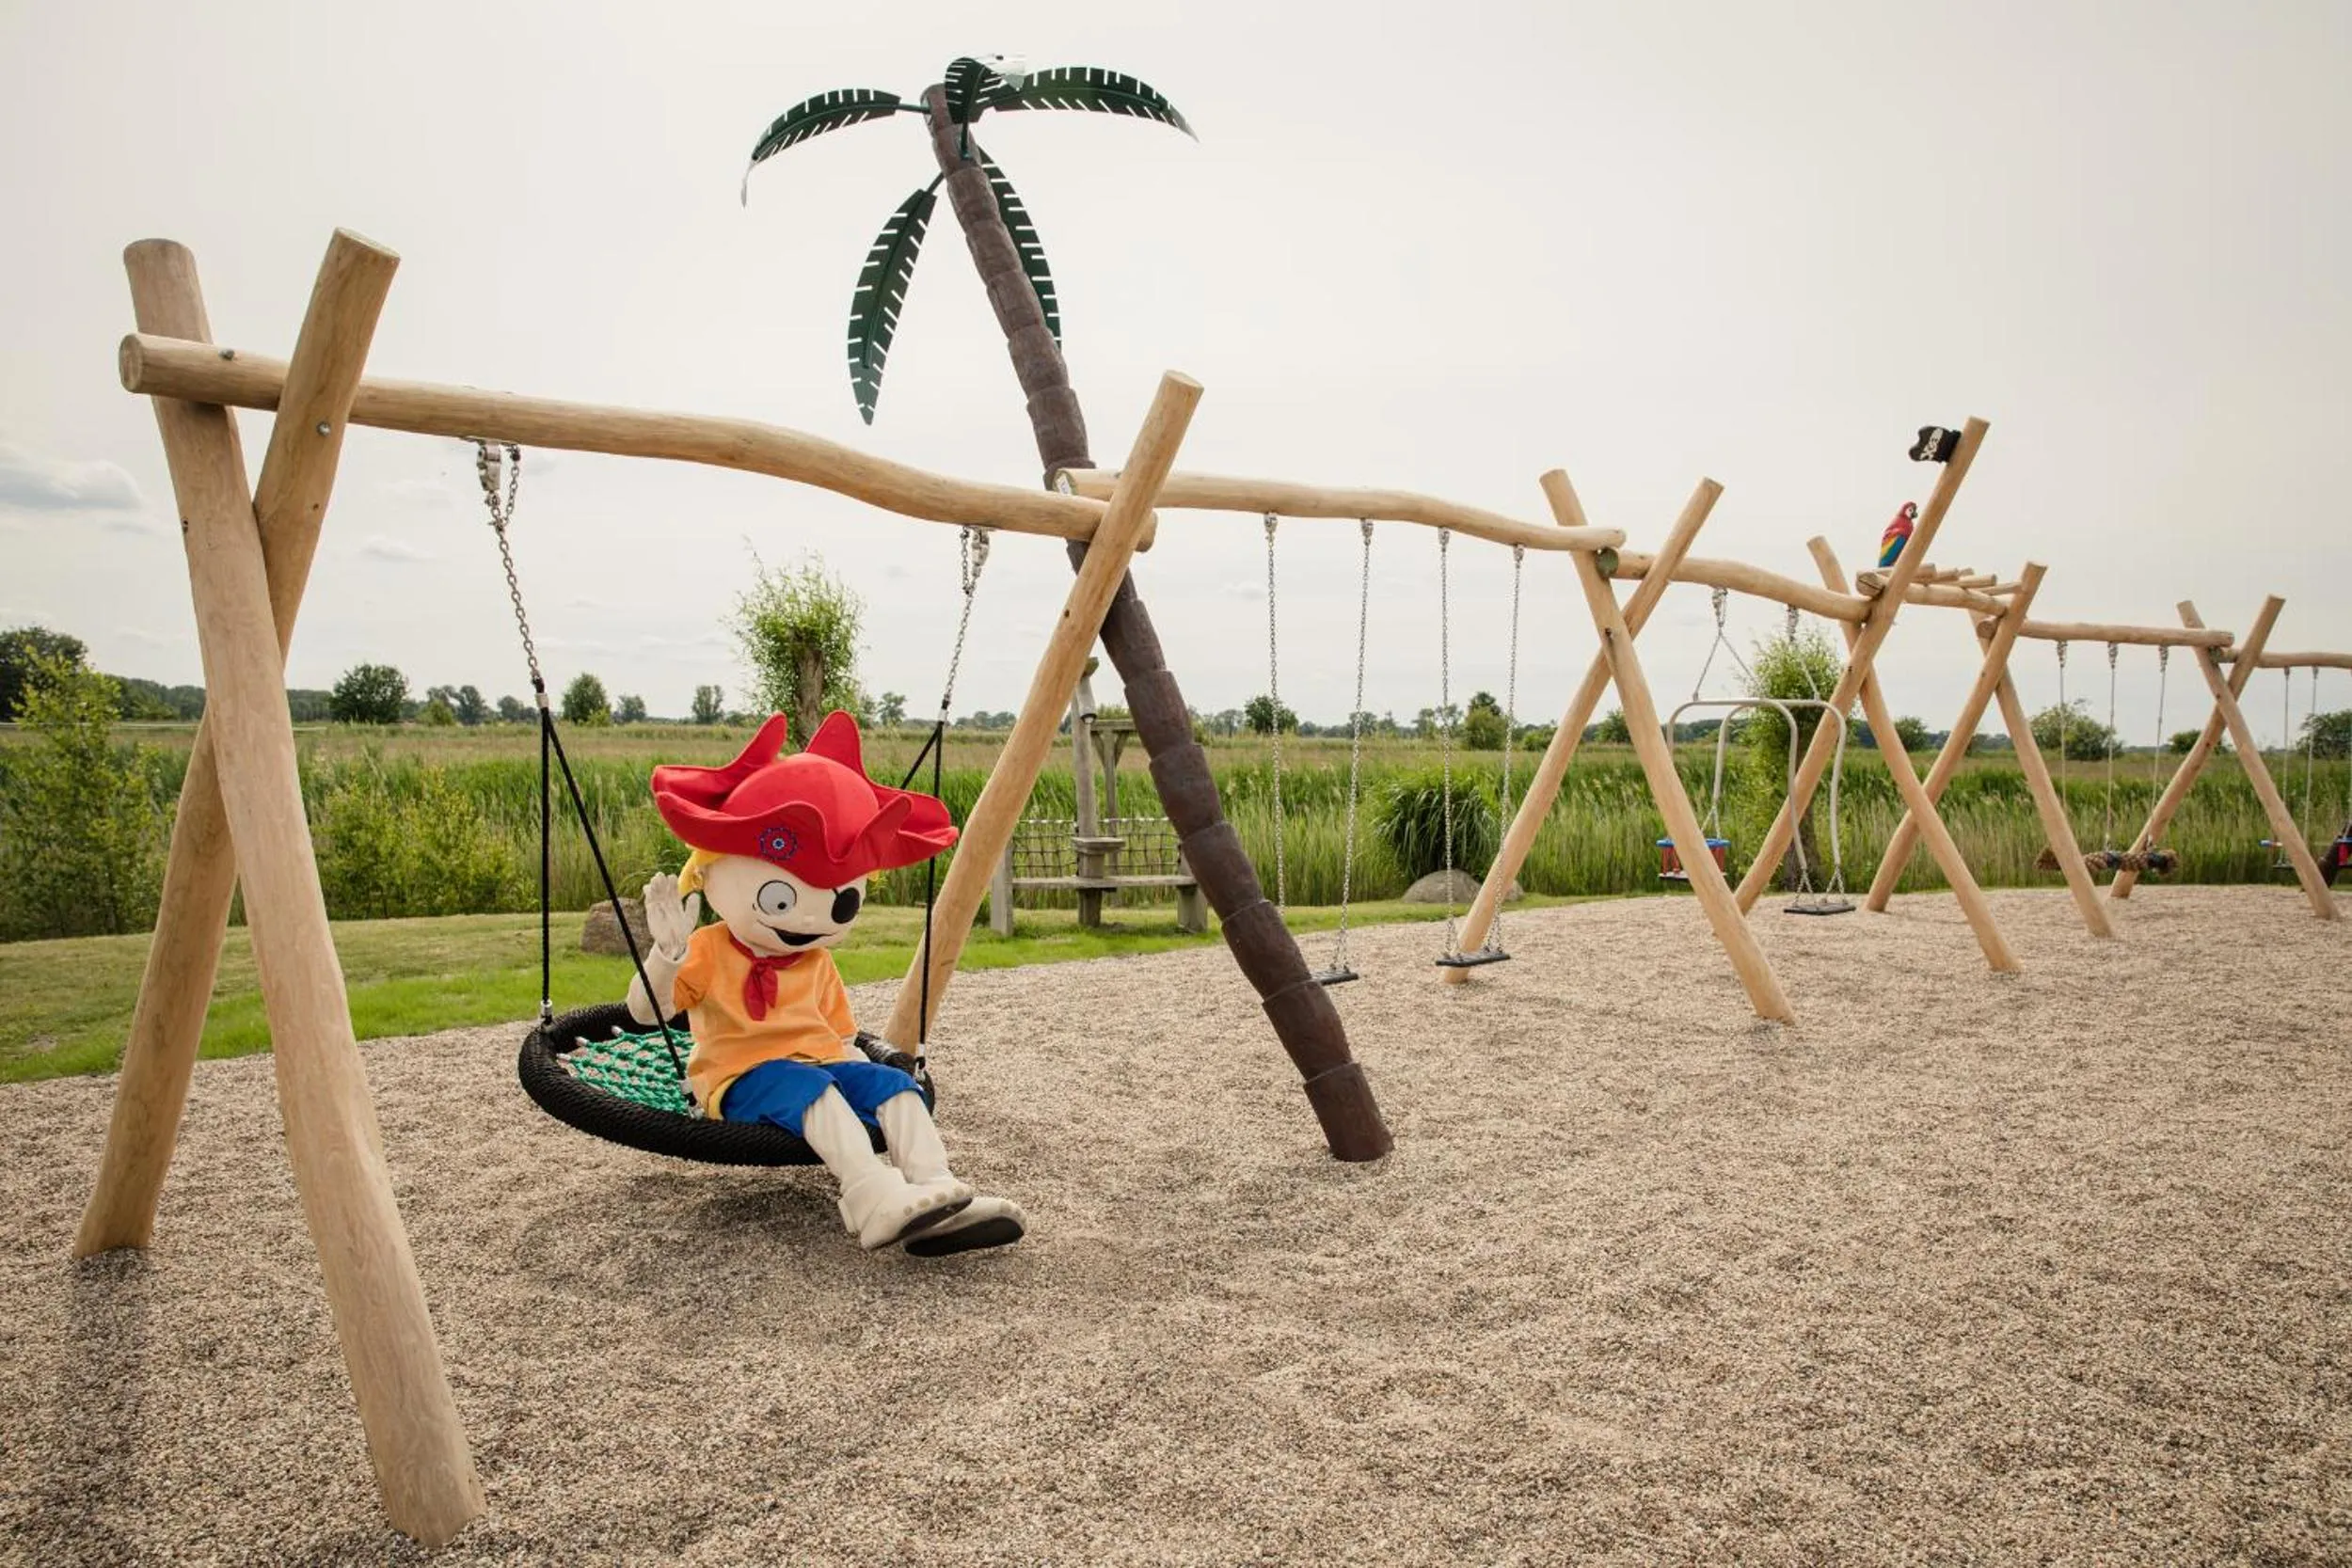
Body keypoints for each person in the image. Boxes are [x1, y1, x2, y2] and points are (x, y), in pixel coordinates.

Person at [627, 710, 1025, 1256]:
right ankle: (869, 1197)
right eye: (782, 900)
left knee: (892, 1085)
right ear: (713, 871)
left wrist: (869, 1079)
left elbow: (841, 1037)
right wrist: (667, 954)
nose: (808, 922)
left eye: (840, 900)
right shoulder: (709, 949)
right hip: (739, 1079)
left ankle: (936, 1188)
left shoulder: (816, 963)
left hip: (819, 1065)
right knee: (814, 1089)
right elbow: (647, 1013)